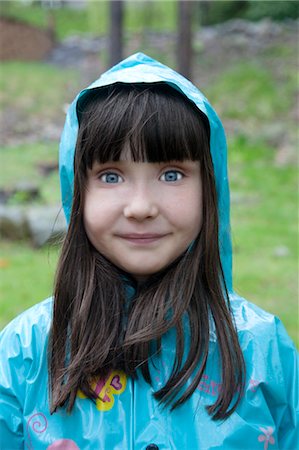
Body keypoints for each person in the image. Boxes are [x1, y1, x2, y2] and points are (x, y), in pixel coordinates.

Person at [0, 53, 297, 450]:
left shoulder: (262, 351)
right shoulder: (24, 354)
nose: (141, 207)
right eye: (111, 175)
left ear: (210, 189)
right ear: (77, 191)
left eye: (171, 174)